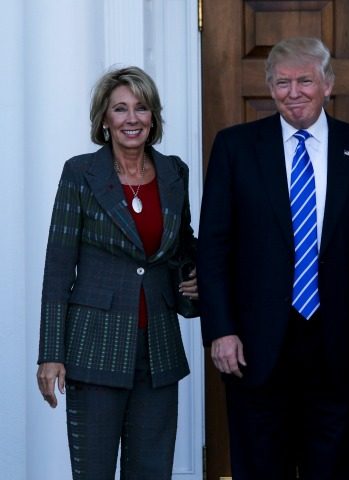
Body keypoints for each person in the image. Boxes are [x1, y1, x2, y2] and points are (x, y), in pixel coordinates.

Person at [198, 37, 349, 480]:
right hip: (254, 347)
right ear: (270, 88)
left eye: (305, 81)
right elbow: (213, 248)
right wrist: (221, 330)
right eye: (283, 82)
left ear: (328, 84)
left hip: (342, 347)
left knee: (335, 468)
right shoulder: (235, 148)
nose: (294, 92)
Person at [36, 66, 198, 479]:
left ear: (153, 116)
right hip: (94, 347)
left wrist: (197, 282)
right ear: (104, 120)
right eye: (120, 109)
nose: (132, 119)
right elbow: (58, 266)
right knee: (94, 471)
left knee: (151, 470)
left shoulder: (174, 173)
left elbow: (182, 247)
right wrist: (51, 353)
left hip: (157, 347)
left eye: (141, 108)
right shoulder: (81, 174)